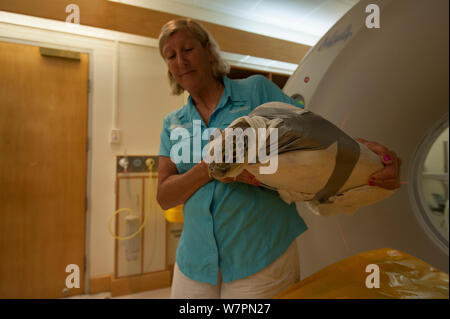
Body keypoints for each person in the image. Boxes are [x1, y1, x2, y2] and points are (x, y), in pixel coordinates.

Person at [156, 18, 402, 299]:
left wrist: (370, 154)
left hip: (261, 255)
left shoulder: (256, 91)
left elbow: (316, 134)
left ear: (208, 50)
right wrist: (210, 168)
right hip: (195, 263)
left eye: (187, 49)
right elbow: (164, 196)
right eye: (171, 56)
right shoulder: (173, 124)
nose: (180, 61)